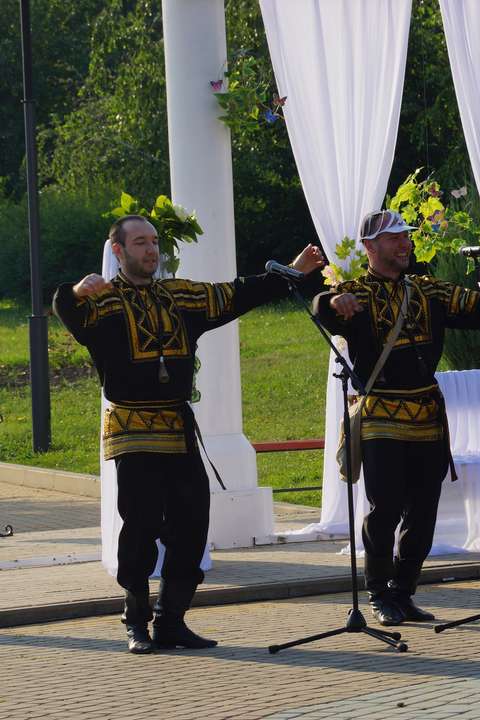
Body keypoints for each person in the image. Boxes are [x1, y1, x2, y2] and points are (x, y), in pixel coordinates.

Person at [52, 215, 325, 653]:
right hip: (134, 429)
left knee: (193, 523)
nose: (151, 250)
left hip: (177, 428)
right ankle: (136, 619)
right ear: (118, 251)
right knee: (140, 527)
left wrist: (291, 272)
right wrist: (74, 291)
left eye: (154, 242)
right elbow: (67, 311)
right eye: (140, 242)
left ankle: (171, 619)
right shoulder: (102, 303)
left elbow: (236, 293)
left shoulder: (181, 296)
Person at [314, 209, 480, 626]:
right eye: (393, 238)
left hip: (427, 416)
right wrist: (332, 300)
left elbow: (478, 306)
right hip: (381, 416)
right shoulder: (355, 293)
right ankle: (378, 593)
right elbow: (324, 309)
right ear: (370, 247)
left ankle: (404, 592)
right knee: (384, 508)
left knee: (424, 510)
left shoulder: (430, 292)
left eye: (405, 236)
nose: (403, 243)